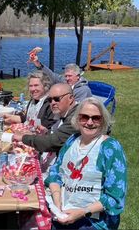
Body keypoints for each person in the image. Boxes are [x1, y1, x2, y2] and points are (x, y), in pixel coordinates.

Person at [45, 97, 127, 230]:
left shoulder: (111, 148)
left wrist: (82, 212)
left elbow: (115, 196)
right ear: (77, 119)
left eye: (96, 118)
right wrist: (57, 200)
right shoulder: (73, 140)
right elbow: (55, 172)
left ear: (103, 121)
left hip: (94, 221)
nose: (89, 122)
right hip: (64, 211)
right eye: (84, 117)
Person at [13, 83, 79, 153]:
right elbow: (59, 137)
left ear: (71, 98)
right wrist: (46, 132)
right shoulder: (64, 113)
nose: (53, 103)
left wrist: (23, 138)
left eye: (57, 99)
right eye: (50, 100)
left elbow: (51, 143)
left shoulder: (76, 118)